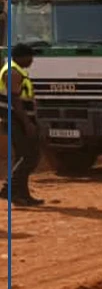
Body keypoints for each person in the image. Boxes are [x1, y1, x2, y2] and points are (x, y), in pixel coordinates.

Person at [1, 44, 44, 206]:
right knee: (30, 157)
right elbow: (15, 101)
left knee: (22, 156)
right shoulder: (13, 72)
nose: (32, 60)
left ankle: (22, 196)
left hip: (18, 119)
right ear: (20, 57)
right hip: (17, 120)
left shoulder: (14, 70)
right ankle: (8, 188)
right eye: (29, 56)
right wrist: (27, 123)